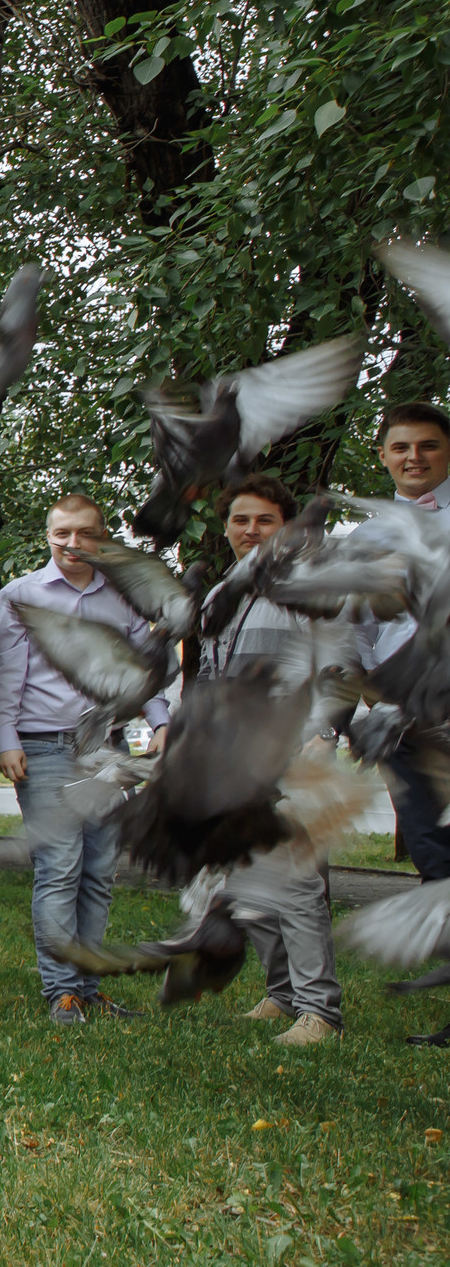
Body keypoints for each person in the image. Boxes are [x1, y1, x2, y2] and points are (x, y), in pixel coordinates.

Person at [0, 493, 173, 1025]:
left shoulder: (122, 597)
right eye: (62, 533)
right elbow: (6, 677)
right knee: (60, 867)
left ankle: (90, 989)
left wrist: (160, 720)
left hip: (107, 751)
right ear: (48, 535)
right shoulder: (20, 595)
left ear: (103, 538)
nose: (73, 544)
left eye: (85, 534)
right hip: (44, 746)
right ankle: (62, 991)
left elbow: (146, 672)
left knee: (97, 870)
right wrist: (7, 737)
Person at [194, 475, 354, 1047]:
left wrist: (327, 735)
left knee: (299, 884)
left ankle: (320, 1012)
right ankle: (282, 995)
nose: (251, 531)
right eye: (241, 520)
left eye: (264, 520)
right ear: (227, 528)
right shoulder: (219, 596)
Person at [360, 404, 450, 887]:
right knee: (425, 839)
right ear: (383, 456)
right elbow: (355, 627)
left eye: (428, 445)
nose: (414, 457)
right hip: (401, 713)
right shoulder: (367, 536)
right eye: (401, 447)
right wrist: (377, 690)